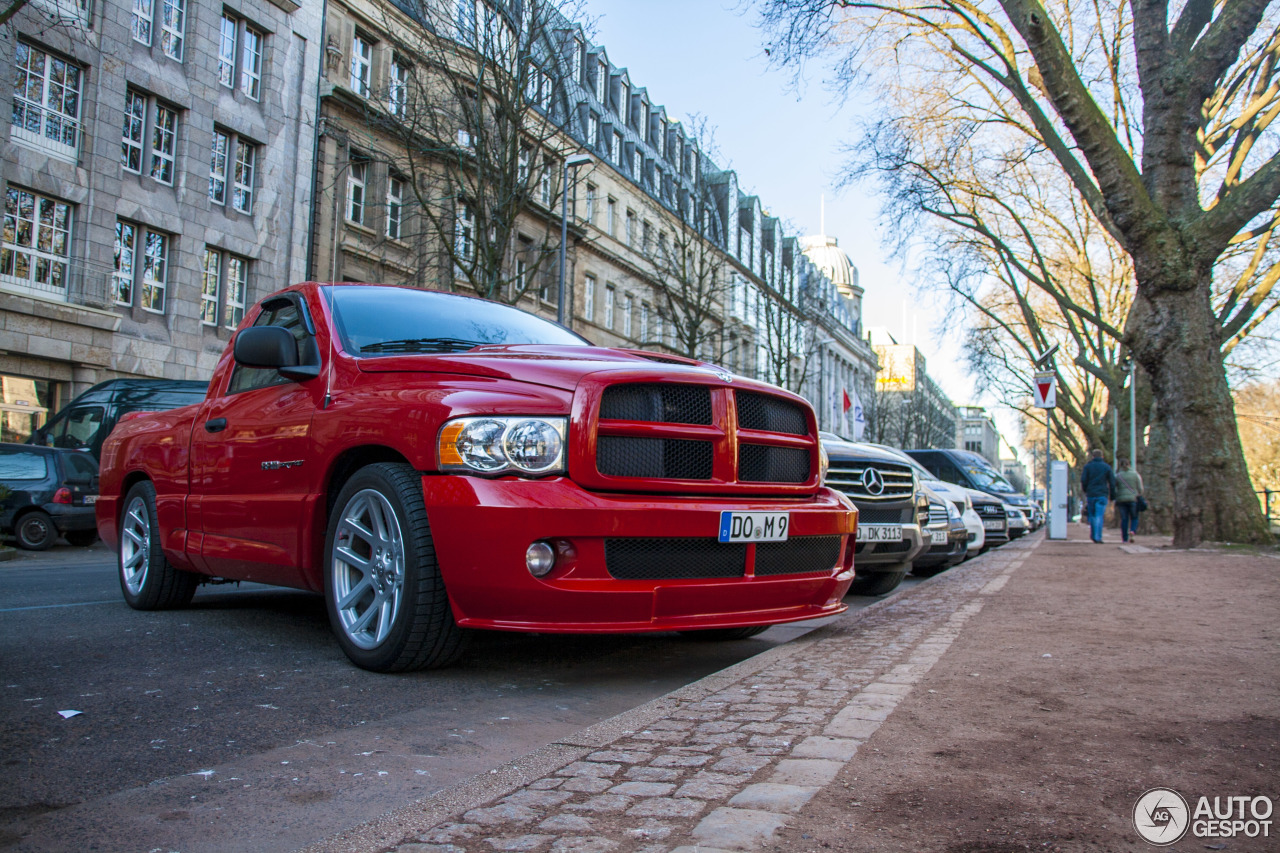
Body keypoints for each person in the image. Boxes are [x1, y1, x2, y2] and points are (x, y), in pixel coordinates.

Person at [1080, 449, 1115, 543]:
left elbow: (1083, 480)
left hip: (1091, 494)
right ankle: (1098, 536)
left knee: (1092, 515)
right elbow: (1112, 482)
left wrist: (1086, 490)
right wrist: (1112, 496)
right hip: (1102, 494)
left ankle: (1093, 534)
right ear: (1102, 456)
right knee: (1099, 515)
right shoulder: (1106, 467)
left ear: (1093, 457)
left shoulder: (1088, 467)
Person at [1114, 457, 1144, 542]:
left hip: (1121, 500)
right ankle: (1132, 531)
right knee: (1134, 517)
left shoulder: (1118, 476)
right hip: (1133, 499)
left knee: (1124, 519)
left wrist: (1116, 496)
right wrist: (1139, 495)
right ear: (1129, 464)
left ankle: (1124, 538)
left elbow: (1114, 488)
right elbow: (1140, 488)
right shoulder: (1135, 475)